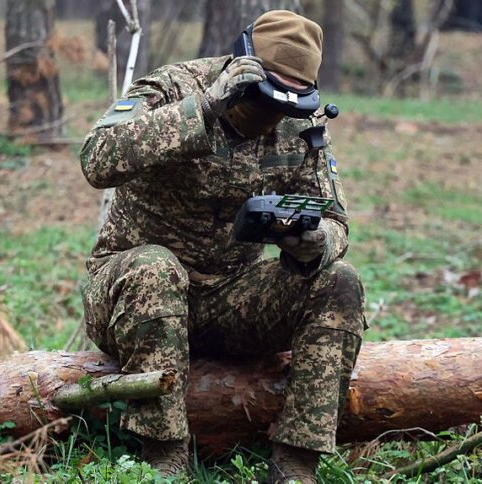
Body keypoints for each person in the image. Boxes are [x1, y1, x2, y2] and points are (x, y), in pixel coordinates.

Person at [79, 10, 366, 483]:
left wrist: (316, 244)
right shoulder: (175, 86)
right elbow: (96, 158)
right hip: (130, 293)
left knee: (340, 280)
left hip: (230, 297)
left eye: (291, 103)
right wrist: (205, 108)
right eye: (266, 96)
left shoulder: (304, 126)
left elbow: (335, 219)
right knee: (156, 267)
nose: (274, 115)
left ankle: (297, 462)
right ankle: (164, 455)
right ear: (244, 65)